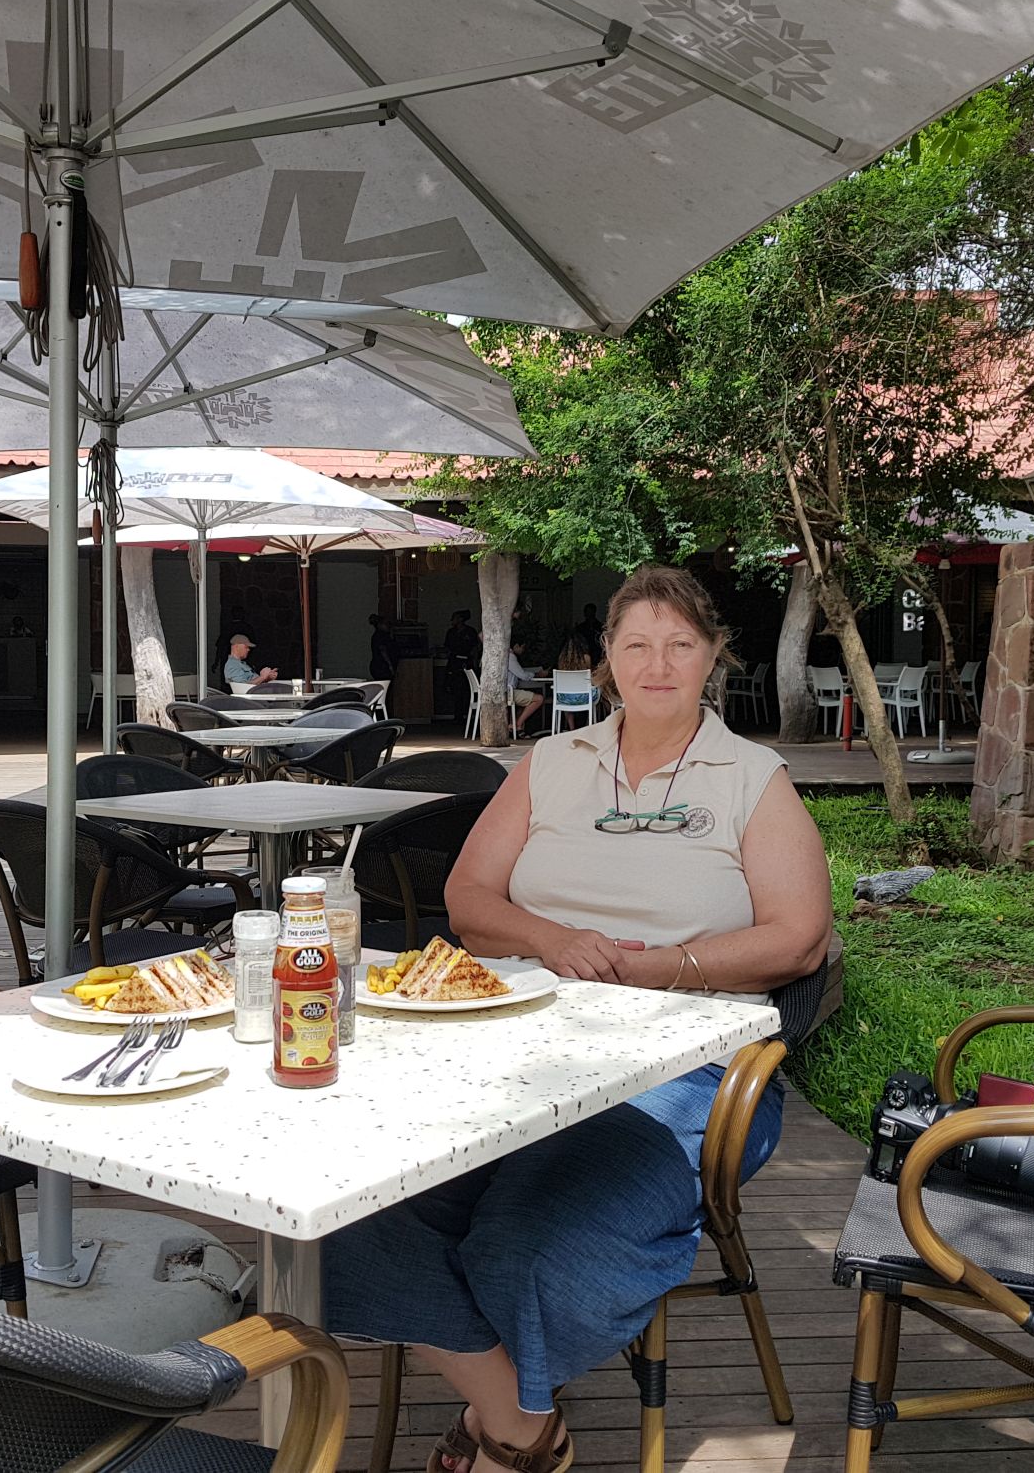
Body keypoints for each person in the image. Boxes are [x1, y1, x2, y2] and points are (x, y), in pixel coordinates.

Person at [323, 565, 834, 1473]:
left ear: (714, 656)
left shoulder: (753, 778)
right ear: (607, 661)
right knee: (344, 1212)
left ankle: (501, 1422)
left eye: (681, 643)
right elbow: (469, 896)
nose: (659, 663)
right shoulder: (553, 763)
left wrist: (656, 967)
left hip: (689, 1070)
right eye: (636, 643)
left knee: (535, 1243)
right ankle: (521, 1427)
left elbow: (798, 940)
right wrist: (556, 939)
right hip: (517, 1049)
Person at [441, 608, 481, 719]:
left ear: (461, 619)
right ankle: (457, 715)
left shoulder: (470, 631)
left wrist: (475, 662)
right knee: (455, 688)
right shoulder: (451, 632)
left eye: (454, 618)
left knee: (467, 689)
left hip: (467, 661)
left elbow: (475, 648)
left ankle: (468, 714)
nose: (452, 621)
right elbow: (447, 648)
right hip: (454, 662)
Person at [506, 639, 546, 736]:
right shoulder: (510, 657)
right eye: (522, 647)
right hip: (507, 692)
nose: (523, 650)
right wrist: (537, 675)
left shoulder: (503, 655)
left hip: (506, 691)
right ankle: (517, 725)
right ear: (515, 646)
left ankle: (515, 725)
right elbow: (522, 675)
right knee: (539, 699)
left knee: (524, 700)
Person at [368, 612, 399, 681]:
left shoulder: (381, 635)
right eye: (386, 624)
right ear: (380, 625)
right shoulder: (380, 636)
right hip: (382, 667)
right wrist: (390, 665)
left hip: (379, 666)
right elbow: (383, 651)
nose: (388, 626)